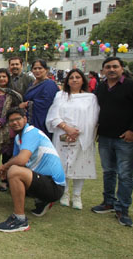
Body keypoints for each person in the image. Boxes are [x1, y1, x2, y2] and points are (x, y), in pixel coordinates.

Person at [0, 107, 65, 233]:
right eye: (11, 121)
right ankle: (42, 201)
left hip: (55, 186)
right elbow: (15, 158)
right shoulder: (18, 138)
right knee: (13, 171)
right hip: (44, 181)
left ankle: (20, 220)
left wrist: (4, 167)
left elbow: (21, 160)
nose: (15, 122)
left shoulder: (31, 132)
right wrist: (4, 169)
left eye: (18, 119)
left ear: (25, 119)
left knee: (15, 172)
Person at [45, 69, 99, 210]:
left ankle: (77, 195)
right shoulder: (60, 95)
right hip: (62, 134)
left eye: (77, 77)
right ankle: (65, 193)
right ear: (67, 81)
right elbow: (53, 115)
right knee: (63, 164)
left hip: (82, 136)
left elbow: (93, 118)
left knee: (79, 164)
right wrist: (66, 128)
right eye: (71, 78)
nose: (74, 80)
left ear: (83, 80)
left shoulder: (90, 98)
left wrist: (77, 132)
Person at [92, 57, 133, 227]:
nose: (111, 69)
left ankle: (122, 209)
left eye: (115, 67)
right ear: (103, 70)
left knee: (125, 174)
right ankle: (108, 202)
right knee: (108, 171)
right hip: (104, 137)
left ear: (122, 68)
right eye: (108, 67)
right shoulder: (101, 87)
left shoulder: (131, 85)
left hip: (125, 138)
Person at [20, 59, 59, 138]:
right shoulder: (32, 84)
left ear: (46, 70)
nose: (37, 71)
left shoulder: (49, 84)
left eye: (40, 68)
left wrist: (27, 104)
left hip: (42, 121)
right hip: (29, 120)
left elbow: (47, 103)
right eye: (35, 68)